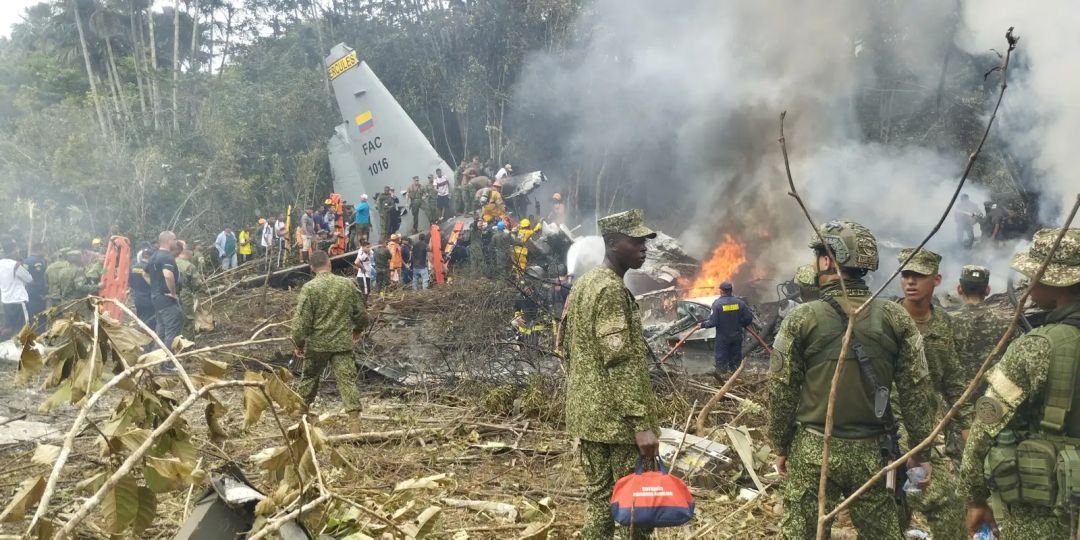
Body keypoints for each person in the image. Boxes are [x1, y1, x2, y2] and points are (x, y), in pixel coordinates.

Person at [767, 220, 934, 539]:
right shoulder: (894, 316)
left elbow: (782, 390)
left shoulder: (802, 317)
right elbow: (917, 391)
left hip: (815, 451)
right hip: (875, 452)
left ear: (827, 261)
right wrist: (921, 451)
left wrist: (781, 444)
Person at [960, 228, 1080, 539]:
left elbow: (985, 426)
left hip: (1047, 511)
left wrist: (975, 499)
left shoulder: (1036, 346)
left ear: (1057, 282)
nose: (1028, 281)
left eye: (1034, 274)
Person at [563, 209, 660, 540]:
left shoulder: (585, 284)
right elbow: (619, 362)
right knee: (634, 511)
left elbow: (567, 347)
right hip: (619, 426)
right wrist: (641, 425)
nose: (644, 248)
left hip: (590, 419)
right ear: (614, 243)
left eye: (645, 241)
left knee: (599, 501)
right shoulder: (611, 291)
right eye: (636, 241)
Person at [895, 247, 966, 540]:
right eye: (906, 275)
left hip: (923, 429)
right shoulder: (887, 319)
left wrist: (966, 423)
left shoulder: (943, 323)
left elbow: (953, 378)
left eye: (919, 276)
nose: (910, 282)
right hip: (889, 428)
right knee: (941, 501)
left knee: (899, 504)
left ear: (936, 280)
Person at [291, 250, 369, 417]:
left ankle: (300, 413)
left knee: (309, 378)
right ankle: (354, 422)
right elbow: (362, 314)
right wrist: (357, 330)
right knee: (347, 382)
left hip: (317, 345)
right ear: (330, 263)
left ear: (312, 268)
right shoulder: (347, 284)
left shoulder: (309, 288)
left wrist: (298, 343)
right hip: (342, 344)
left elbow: (301, 322)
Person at [950, 265, 1012, 386]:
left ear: (959, 289)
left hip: (956, 392)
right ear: (988, 290)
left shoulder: (947, 321)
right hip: (992, 392)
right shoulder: (1007, 322)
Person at [699, 282, 754, 379]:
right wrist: (741, 324)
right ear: (731, 291)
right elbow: (749, 317)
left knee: (721, 358)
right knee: (735, 359)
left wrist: (702, 325)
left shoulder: (717, 304)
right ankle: (736, 378)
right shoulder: (740, 303)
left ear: (721, 291)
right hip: (737, 336)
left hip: (723, 338)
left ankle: (722, 378)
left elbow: (713, 322)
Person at [146, 231, 183, 357]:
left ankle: (156, 358)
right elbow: (168, 275)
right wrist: (173, 293)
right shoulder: (167, 257)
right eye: (174, 239)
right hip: (167, 300)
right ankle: (168, 361)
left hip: (156, 298)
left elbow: (145, 274)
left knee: (161, 330)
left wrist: (155, 288)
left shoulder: (154, 256)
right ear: (168, 241)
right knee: (172, 331)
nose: (176, 242)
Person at [0, 252, 33, 339]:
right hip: (19, 300)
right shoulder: (15, 264)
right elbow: (29, 279)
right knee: (24, 328)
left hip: (6, 301)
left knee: (9, 329)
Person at [176, 245, 203, 338]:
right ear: (187, 253)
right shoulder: (189, 266)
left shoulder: (171, 262)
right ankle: (188, 342)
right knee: (188, 319)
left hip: (170, 295)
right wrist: (195, 291)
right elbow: (197, 283)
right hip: (185, 294)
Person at [129, 248, 155, 327]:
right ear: (149, 256)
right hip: (149, 299)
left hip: (138, 298)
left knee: (140, 320)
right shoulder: (150, 268)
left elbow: (131, 283)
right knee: (149, 323)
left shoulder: (133, 267)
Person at [23, 248, 47, 331]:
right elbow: (40, 278)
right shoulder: (38, 261)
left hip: (29, 292)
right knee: (41, 316)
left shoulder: (26, 261)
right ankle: (39, 333)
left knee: (31, 315)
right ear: (39, 249)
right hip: (38, 292)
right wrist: (42, 292)